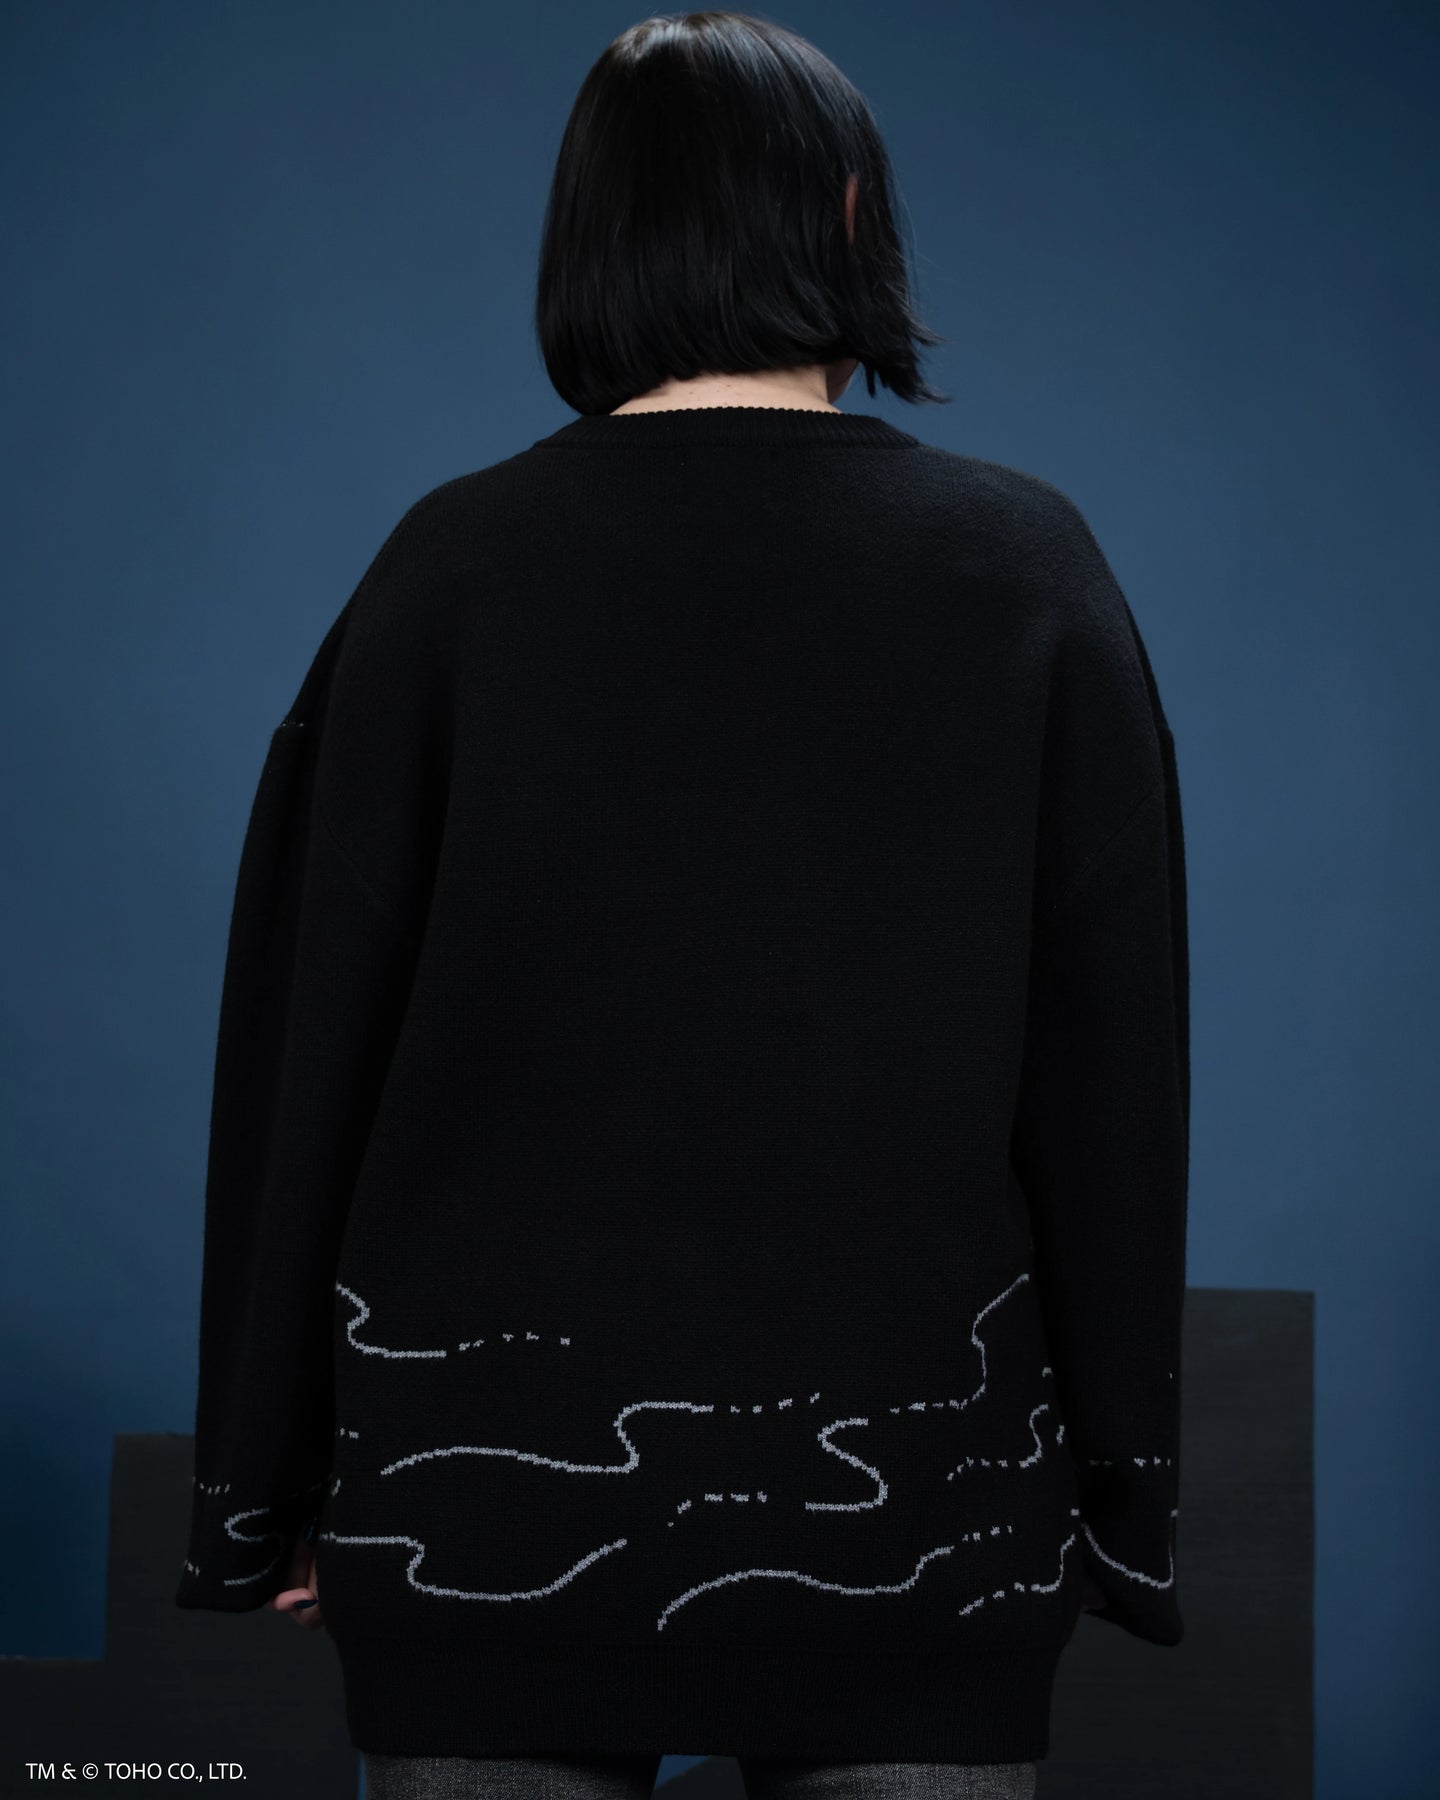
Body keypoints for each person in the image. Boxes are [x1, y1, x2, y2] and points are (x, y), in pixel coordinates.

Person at [176, 11, 1188, 1799]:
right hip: (921, 1520)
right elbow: (1113, 1090)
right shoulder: (1027, 571)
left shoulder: (445, 570)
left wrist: (260, 1494)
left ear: (593, 237)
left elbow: (302, 1054)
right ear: (854, 215)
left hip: (484, 1519)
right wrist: (1118, 1511)